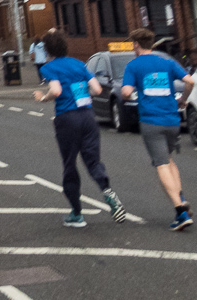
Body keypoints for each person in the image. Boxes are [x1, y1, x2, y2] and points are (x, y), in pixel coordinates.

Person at [32, 29, 126, 227]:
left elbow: (56, 90)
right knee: (93, 161)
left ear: (48, 49)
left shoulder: (49, 67)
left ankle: (76, 213)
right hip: (88, 116)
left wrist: (43, 98)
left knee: (70, 164)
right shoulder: (78, 64)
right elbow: (97, 89)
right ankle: (107, 190)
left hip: (67, 118)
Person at [121, 28, 195, 230]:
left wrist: (130, 93)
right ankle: (180, 198)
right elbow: (189, 81)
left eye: (132, 44)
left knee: (161, 164)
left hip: (151, 122)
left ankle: (180, 211)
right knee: (169, 160)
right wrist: (183, 99)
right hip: (172, 120)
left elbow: (126, 91)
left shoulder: (133, 65)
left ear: (136, 44)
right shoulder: (167, 63)